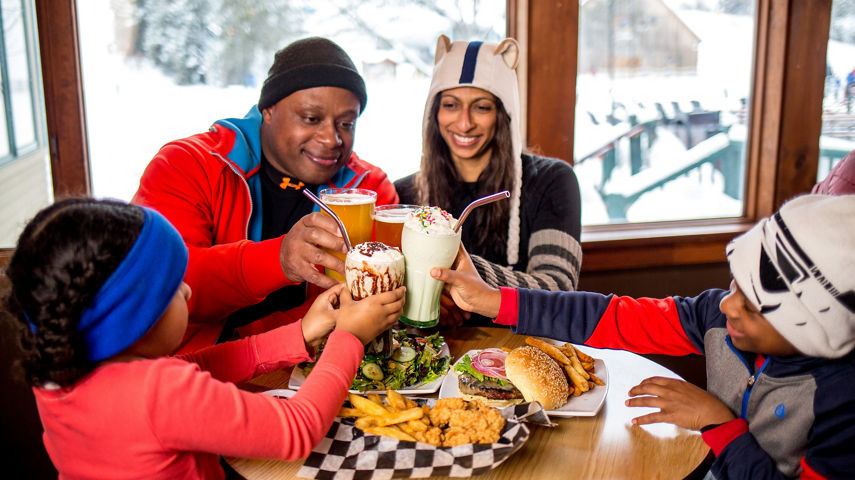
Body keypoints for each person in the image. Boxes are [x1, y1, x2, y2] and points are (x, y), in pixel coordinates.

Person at [433, 194, 855, 479]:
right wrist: (494, 301)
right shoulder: (715, 315)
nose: (728, 306)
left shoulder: (842, 401)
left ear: (814, 332)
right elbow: (611, 317)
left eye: (751, 306)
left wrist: (719, 424)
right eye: (734, 287)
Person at [1, 198, 404, 479]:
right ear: (134, 318)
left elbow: (193, 370)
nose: (190, 292)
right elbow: (298, 429)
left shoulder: (62, 371)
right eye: (176, 287)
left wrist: (302, 332)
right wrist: (349, 336)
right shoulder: (160, 393)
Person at [133, 37, 398, 353]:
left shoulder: (369, 188)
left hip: (312, 364)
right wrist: (280, 259)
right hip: (197, 373)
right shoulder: (187, 164)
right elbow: (159, 288)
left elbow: (372, 304)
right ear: (268, 110)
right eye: (311, 118)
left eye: (346, 123)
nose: (332, 139)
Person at [394, 35, 582, 326]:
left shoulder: (552, 181)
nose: (465, 122)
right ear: (434, 113)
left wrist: (452, 273)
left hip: (517, 353)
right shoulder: (404, 192)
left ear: (503, 115)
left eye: (481, 107)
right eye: (451, 105)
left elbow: (559, 290)